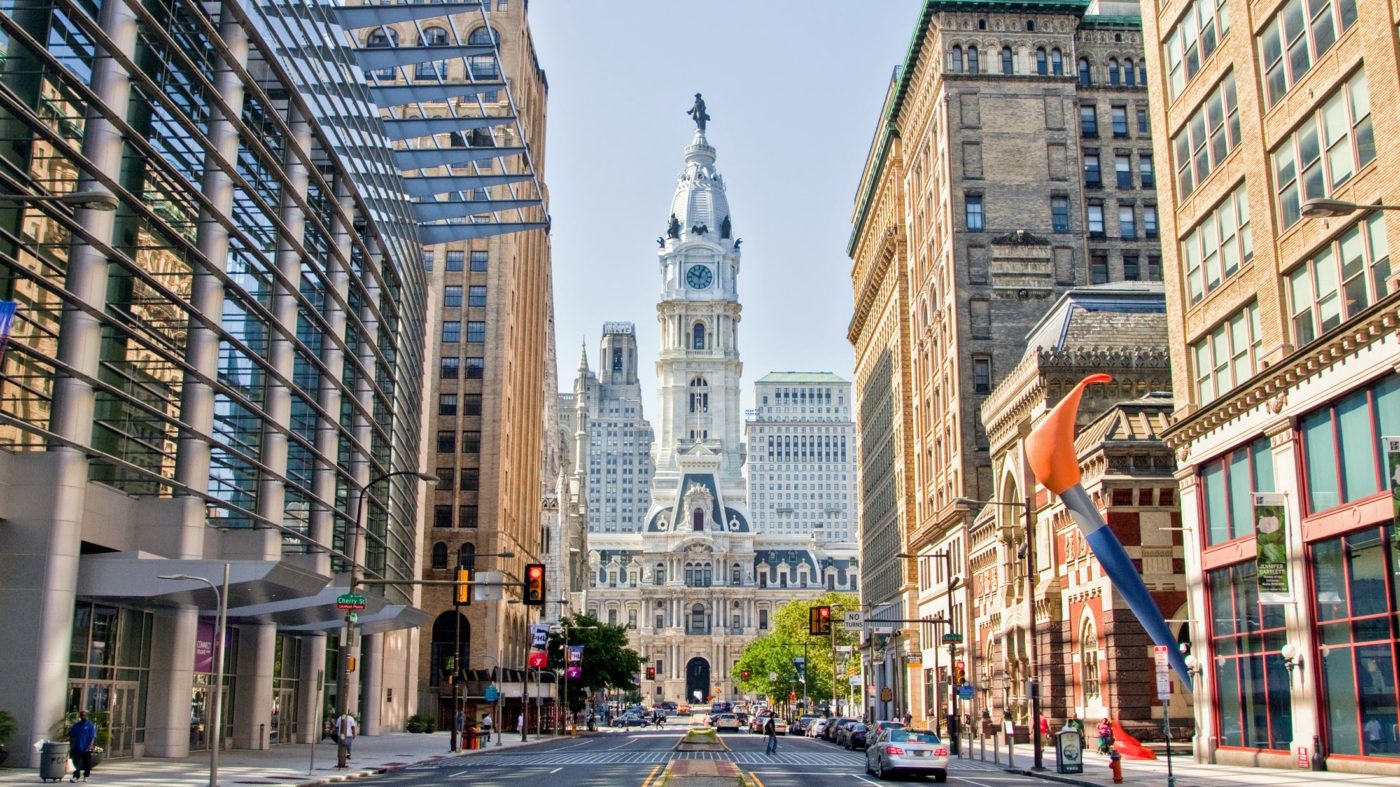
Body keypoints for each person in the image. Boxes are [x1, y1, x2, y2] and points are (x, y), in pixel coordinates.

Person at [68, 710, 97, 782]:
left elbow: (92, 737)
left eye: (84, 715)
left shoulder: (91, 725)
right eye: (81, 715)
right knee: (76, 763)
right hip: (78, 747)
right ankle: (76, 776)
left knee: (87, 763)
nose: (82, 717)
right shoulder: (77, 725)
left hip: (86, 748)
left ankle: (86, 775)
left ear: (87, 716)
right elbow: (71, 735)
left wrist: (90, 746)